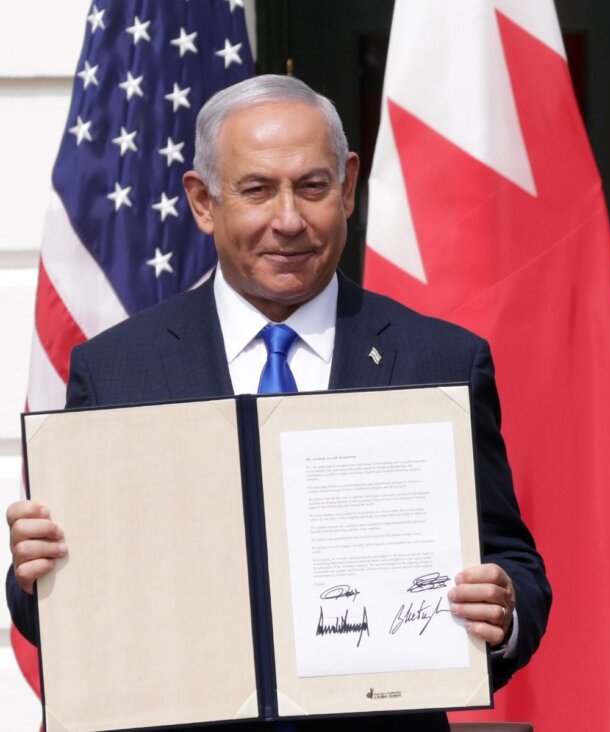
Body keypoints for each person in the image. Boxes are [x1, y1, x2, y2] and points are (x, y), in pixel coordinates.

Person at [6, 75, 550, 731]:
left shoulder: (438, 359)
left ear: (348, 187)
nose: (288, 220)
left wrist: (505, 609)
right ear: (203, 202)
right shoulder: (118, 370)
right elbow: (77, 615)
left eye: (313, 187)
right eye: (258, 190)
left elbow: (512, 562)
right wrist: (37, 579)